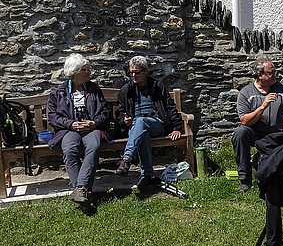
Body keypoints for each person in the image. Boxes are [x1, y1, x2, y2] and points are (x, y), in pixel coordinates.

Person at [232, 56, 283, 193]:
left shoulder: (282, 89)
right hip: (257, 133)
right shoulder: (246, 93)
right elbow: (245, 121)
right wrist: (263, 106)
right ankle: (244, 180)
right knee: (240, 133)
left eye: (275, 72)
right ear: (260, 75)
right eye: (271, 73)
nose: (275, 76)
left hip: (279, 132)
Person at [47, 53, 111, 203]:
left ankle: (80, 189)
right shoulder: (59, 92)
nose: (89, 73)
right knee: (70, 149)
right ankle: (82, 190)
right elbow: (52, 117)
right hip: (69, 130)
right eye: (85, 70)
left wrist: (94, 123)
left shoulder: (94, 89)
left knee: (94, 146)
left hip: (92, 128)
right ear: (74, 72)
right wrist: (70, 124)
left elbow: (105, 112)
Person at [114, 56, 183, 188]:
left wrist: (177, 128)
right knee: (142, 132)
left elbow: (170, 107)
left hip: (157, 124)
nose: (133, 75)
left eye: (137, 72)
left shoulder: (157, 87)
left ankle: (127, 158)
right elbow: (120, 112)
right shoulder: (126, 90)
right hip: (136, 128)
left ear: (146, 71)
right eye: (131, 72)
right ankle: (146, 175)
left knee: (141, 121)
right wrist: (124, 120)